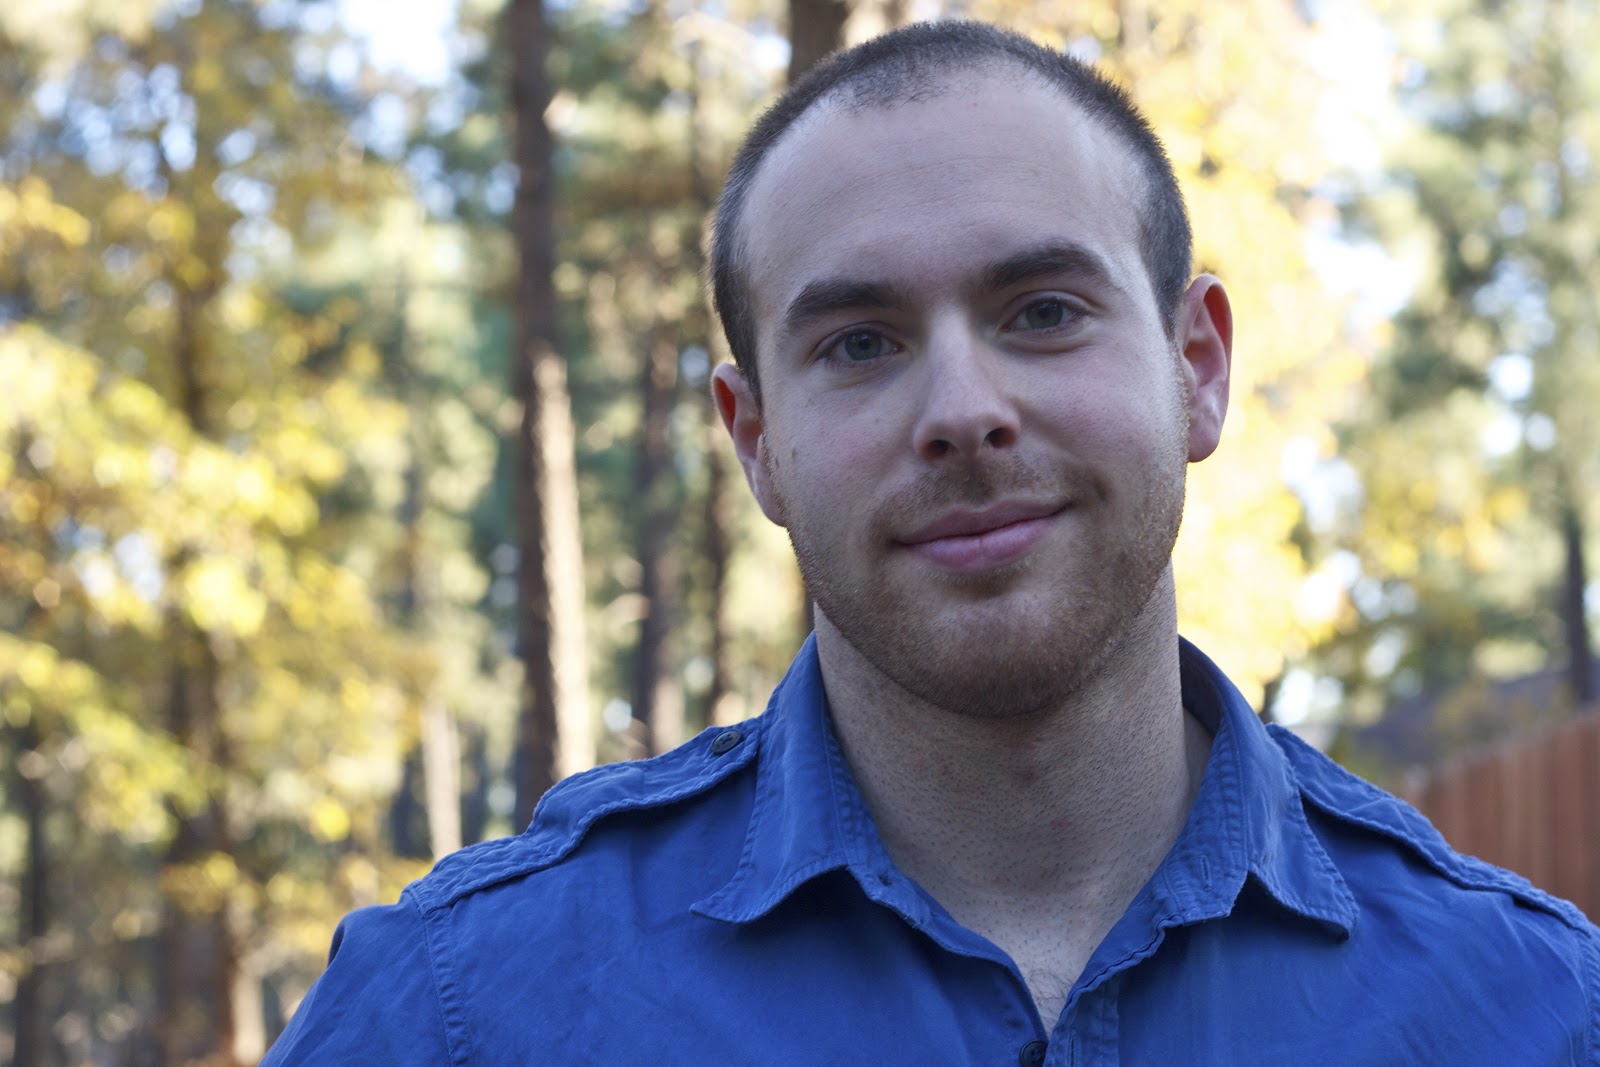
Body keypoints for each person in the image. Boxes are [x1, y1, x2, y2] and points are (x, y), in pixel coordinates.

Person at [264, 21, 1599, 1065]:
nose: (963, 411)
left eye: (1045, 311)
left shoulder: (1538, 1014)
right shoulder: (459, 1015)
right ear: (756, 440)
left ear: (1196, 368)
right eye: (860, 344)